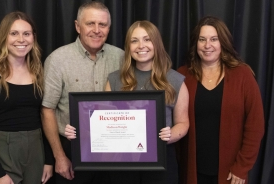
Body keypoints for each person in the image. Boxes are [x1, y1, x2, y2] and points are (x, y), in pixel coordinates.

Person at [66, 20, 189, 184]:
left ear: (156, 43)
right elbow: (103, 123)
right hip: (122, 162)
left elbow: (183, 122)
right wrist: (78, 131)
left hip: (161, 160)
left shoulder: (175, 80)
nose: (141, 46)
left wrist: (170, 135)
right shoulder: (115, 79)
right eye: (134, 40)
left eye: (147, 39)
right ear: (128, 47)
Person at [41, 1, 124, 184]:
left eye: (102, 24)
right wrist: (59, 157)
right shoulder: (57, 60)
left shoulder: (122, 58)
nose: (97, 30)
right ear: (78, 26)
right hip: (72, 150)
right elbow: (47, 110)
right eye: (90, 23)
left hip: (113, 150)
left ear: (109, 28)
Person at [177, 16, 265, 184]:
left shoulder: (243, 75)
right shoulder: (182, 75)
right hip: (193, 171)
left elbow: (255, 125)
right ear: (196, 43)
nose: (207, 45)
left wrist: (242, 167)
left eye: (214, 39)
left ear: (222, 42)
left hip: (232, 173)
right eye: (202, 39)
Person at [0, 11, 53, 184]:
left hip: (35, 150)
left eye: (26, 33)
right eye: (14, 33)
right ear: (4, 37)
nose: (21, 39)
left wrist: (48, 160)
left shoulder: (39, 72)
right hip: (2, 151)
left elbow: (44, 117)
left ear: (33, 37)